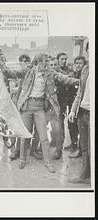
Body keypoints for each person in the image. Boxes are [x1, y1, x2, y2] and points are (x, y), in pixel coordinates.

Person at [2, 53, 79, 173]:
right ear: (38, 62)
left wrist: (79, 81)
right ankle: (22, 159)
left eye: (47, 62)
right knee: (25, 135)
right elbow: (13, 74)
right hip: (26, 107)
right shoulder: (29, 71)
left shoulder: (49, 73)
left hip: (39, 108)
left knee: (43, 137)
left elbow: (64, 79)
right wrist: (2, 67)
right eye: (45, 62)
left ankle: (48, 162)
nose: (47, 64)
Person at [68, 43, 90, 184]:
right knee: (85, 146)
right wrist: (73, 109)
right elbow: (80, 92)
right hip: (83, 112)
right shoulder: (86, 69)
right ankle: (84, 176)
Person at [54, 52, 79, 160]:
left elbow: (72, 81)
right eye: (62, 59)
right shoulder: (55, 71)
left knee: (71, 123)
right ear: (58, 60)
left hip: (70, 99)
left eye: (65, 59)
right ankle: (58, 145)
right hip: (60, 100)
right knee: (59, 122)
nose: (64, 61)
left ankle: (74, 145)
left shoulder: (70, 70)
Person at [68, 55, 87, 158]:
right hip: (74, 103)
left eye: (80, 63)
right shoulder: (74, 74)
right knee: (71, 125)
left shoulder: (85, 74)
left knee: (81, 128)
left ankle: (79, 150)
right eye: (77, 63)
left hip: (82, 105)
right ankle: (74, 145)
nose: (78, 65)